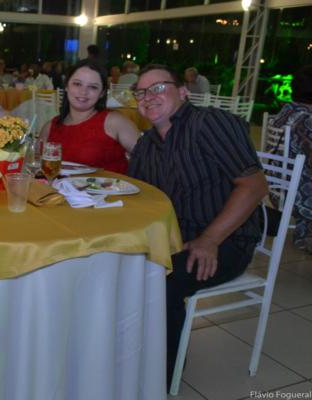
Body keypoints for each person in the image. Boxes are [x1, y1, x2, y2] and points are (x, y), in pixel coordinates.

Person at [127, 64, 268, 390]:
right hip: (175, 234)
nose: (148, 97)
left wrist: (210, 239)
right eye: (141, 92)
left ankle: (159, 379)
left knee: (163, 281)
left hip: (225, 239)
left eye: (158, 88)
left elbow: (254, 186)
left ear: (183, 92)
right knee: (117, 265)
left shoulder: (209, 123)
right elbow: (137, 194)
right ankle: (130, 354)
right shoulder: (148, 142)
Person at [39, 59, 140, 174]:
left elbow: (147, 159)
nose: (83, 92)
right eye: (77, 84)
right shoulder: (50, 127)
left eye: (93, 87)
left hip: (110, 185)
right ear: (66, 86)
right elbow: (36, 167)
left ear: (102, 93)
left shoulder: (114, 122)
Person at [270, 64, 312, 253]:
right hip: (297, 194)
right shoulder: (307, 119)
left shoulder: (285, 112)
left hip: (276, 186)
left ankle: (303, 235)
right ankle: (305, 237)